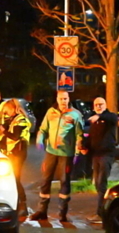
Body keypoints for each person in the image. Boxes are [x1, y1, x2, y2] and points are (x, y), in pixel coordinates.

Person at [30, 90, 84, 222]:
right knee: (45, 181)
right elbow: (43, 129)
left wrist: (77, 152)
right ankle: (42, 211)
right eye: (61, 99)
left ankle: (62, 213)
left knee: (64, 182)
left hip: (66, 154)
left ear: (68, 98)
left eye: (65, 99)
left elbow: (79, 135)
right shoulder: (51, 112)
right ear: (57, 99)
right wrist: (40, 140)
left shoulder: (75, 115)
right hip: (51, 152)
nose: (63, 101)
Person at [80, 96, 118, 219]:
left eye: (101, 104)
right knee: (97, 183)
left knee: (101, 183)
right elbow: (91, 138)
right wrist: (84, 146)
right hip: (96, 155)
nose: (99, 107)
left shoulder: (109, 117)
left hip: (106, 154)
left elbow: (112, 118)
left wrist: (100, 117)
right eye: (96, 105)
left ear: (105, 105)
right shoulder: (94, 121)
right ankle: (102, 210)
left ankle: (101, 214)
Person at [0, 97, 31, 215]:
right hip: (13, 153)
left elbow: (15, 136)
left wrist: (3, 130)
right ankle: (16, 205)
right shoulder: (12, 119)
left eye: (7, 110)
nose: (6, 113)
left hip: (19, 153)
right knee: (12, 179)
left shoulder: (21, 120)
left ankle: (23, 206)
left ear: (13, 108)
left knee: (15, 179)